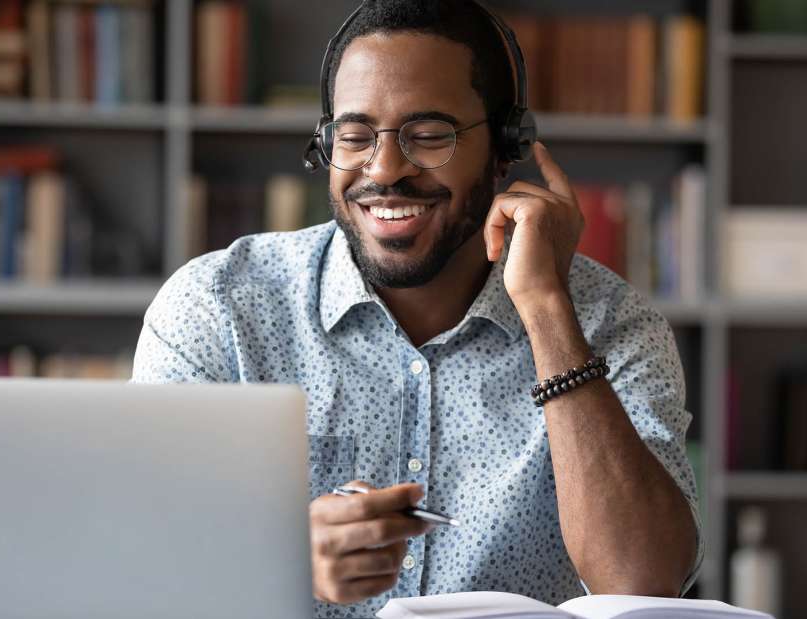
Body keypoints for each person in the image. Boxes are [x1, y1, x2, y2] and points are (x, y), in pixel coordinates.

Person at [131, 1, 702, 617]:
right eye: (354, 137)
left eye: (429, 136)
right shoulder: (218, 309)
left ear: (507, 147)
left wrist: (546, 309)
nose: (385, 170)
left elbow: (643, 583)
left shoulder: (614, 323)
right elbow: (135, 554)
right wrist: (276, 554)